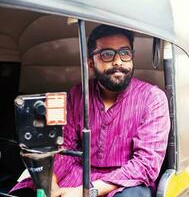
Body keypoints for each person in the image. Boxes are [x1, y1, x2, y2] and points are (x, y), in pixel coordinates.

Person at [10, 24, 170, 197]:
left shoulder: (152, 98)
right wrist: (51, 182)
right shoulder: (77, 94)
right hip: (77, 174)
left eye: (125, 53)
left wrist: (88, 191)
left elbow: (146, 164)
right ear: (91, 63)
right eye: (107, 54)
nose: (118, 61)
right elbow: (65, 147)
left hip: (123, 183)